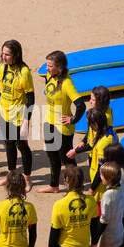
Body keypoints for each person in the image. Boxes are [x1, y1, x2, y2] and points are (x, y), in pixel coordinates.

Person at [37, 50, 86, 193]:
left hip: (62, 127)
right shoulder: (49, 75)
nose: (46, 68)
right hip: (49, 122)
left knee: (68, 160)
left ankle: (76, 188)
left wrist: (73, 119)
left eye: (50, 66)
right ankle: (54, 186)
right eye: (47, 65)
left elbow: (81, 105)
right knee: (52, 156)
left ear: (59, 67)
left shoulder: (66, 83)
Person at [0, 39, 34, 192]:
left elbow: (31, 98)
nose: (4, 57)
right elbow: (0, 91)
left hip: (18, 117)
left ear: (16, 55)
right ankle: (10, 175)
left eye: (8, 55)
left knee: (22, 147)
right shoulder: (2, 67)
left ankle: (27, 179)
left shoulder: (24, 72)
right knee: (9, 145)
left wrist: (26, 121)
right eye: (3, 54)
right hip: (4, 115)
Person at [47, 165, 99, 247]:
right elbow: (95, 225)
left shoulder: (59, 205)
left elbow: (54, 232)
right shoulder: (91, 201)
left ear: (66, 181)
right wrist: (94, 244)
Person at [67, 107, 116, 213]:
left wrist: (91, 189)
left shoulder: (104, 142)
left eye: (89, 124)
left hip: (100, 185)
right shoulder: (103, 133)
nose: (89, 126)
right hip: (97, 180)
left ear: (96, 124)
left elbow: (101, 169)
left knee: (100, 212)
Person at [96, 161, 124, 247]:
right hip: (120, 233)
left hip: (109, 239)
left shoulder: (108, 195)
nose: (100, 177)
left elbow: (104, 220)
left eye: (101, 175)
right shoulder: (122, 187)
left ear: (108, 178)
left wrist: (95, 239)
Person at [85, 86, 116, 164]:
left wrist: (76, 151)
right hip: (92, 150)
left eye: (93, 100)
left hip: (98, 153)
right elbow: (90, 130)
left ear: (100, 102)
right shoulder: (100, 111)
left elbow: (94, 142)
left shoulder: (103, 117)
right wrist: (83, 142)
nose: (89, 101)